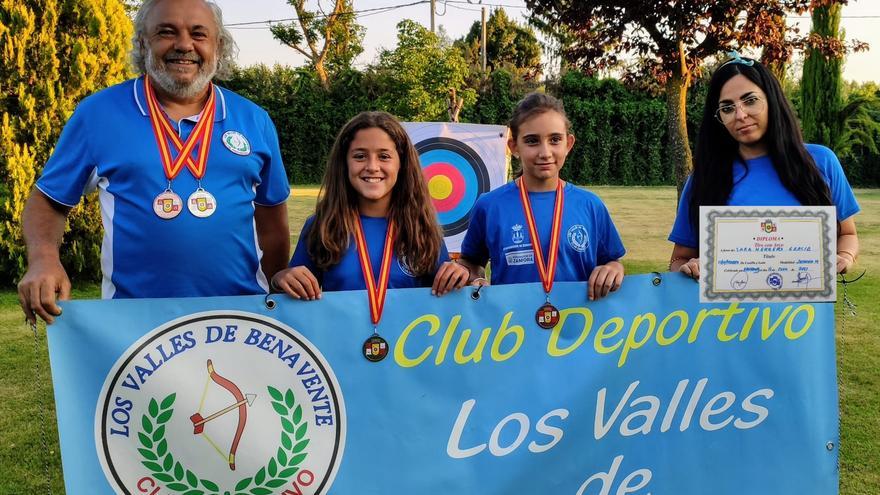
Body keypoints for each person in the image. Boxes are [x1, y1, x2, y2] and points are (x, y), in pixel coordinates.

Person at [18, 0, 290, 325]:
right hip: (137, 326)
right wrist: (44, 258)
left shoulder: (254, 120)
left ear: (218, 46)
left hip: (239, 321)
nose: (184, 45)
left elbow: (273, 226)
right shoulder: (98, 114)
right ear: (143, 42)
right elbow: (49, 200)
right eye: (167, 32)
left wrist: (274, 301)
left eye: (198, 34)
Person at [668, 54, 860, 278]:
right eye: (727, 108)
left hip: (806, 300)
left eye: (750, 100)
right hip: (727, 302)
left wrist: (845, 256)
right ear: (718, 117)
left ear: (772, 100)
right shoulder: (704, 177)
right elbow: (678, 259)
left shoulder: (821, 161)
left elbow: (848, 234)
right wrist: (688, 269)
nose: (740, 115)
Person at [270, 111, 470, 300]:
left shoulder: (422, 227)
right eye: (360, 156)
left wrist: (459, 275)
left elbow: (446, 298)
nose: (372, 167)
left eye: (384, 156)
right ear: (344, 163)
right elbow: (290, 301)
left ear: (401, 163)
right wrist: (281, 280)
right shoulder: (321, 226)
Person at [454, 93, 626, 302]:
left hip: (578, 321)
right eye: (532, 141)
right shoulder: (489, 206)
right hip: (511, 321)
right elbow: (471, 263)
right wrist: (474, 278)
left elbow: (612, 262)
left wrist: (613, 268)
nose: (545, 152)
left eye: (555, 140)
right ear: (514, 147)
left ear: (569, 144)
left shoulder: (590, 205)